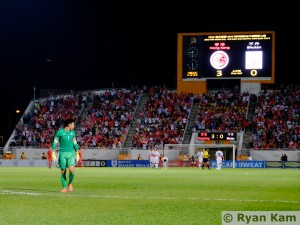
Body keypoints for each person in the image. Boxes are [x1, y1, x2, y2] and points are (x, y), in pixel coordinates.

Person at [51, 118, 79, 193]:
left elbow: (75, 143)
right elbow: (55, 142)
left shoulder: (73, 132)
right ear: (69, 125)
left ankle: (70, 183)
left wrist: (77, 152)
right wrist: (53, 152)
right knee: (63, 171)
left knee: (71, 170)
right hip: (62, 153)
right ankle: (64, 187)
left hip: (71, 153)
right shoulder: (59, 132)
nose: (74, 126)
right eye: (73, 124)